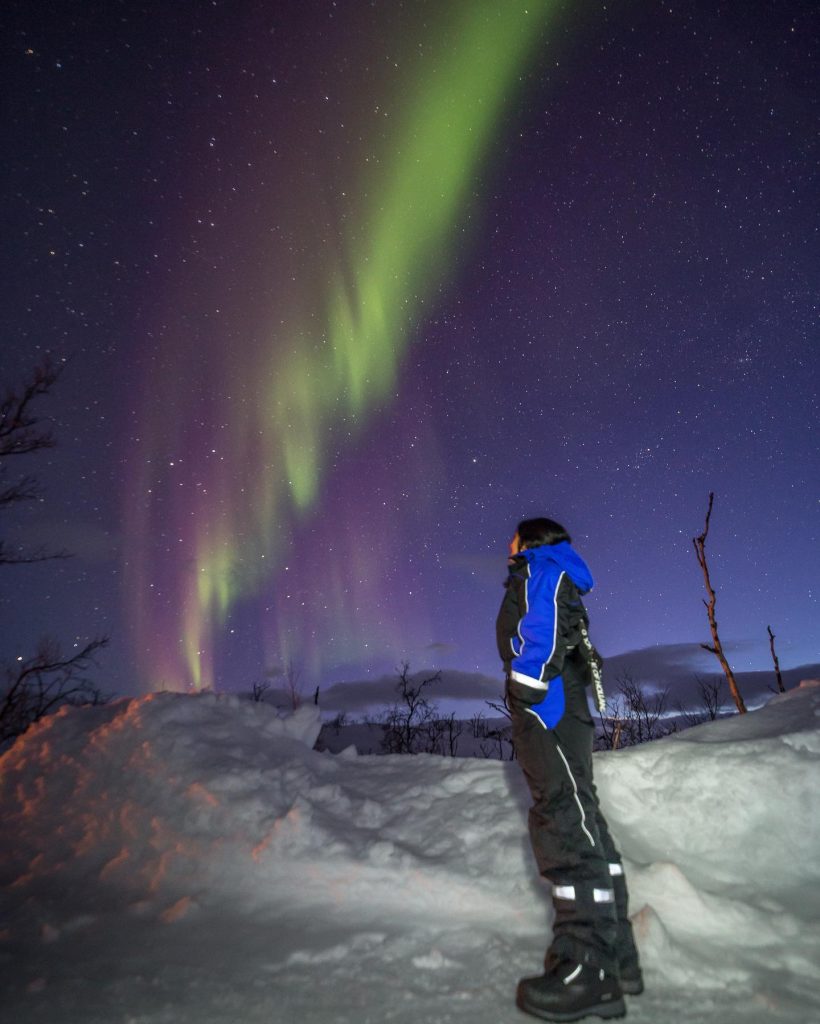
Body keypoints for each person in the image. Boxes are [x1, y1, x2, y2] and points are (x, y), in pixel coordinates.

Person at [496, 517, 642, 1022]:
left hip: (548, 707)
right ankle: (616, 958)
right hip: (560, 704)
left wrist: (526, 686)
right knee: (580, 815)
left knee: (561, 817)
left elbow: (544, 624)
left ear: (531, 539)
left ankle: (589, 967)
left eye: (513, 537)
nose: (506, 545)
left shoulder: (544, 567)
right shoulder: (543, 569)